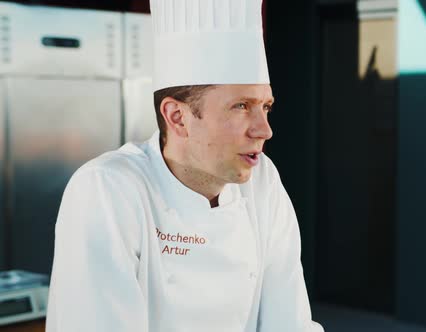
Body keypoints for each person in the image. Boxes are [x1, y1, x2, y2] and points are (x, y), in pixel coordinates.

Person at [45, 0, 324, 331]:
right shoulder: (108, 189)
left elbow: (288, 321)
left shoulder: (262, 182)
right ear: (177, 117)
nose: (264, 130)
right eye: (241, 106)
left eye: (266, 106)